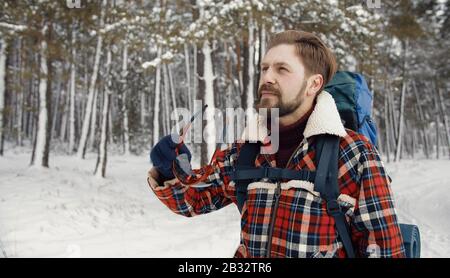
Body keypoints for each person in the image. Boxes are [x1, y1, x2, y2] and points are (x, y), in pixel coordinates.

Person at [147, 30, 406, 258]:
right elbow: (192, 201)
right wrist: (169, 169)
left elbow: (384, 249)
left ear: (313, 84)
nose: (267, 78)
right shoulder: (246, 150)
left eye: (282, 69)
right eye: (264, 68)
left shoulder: (353, 153)